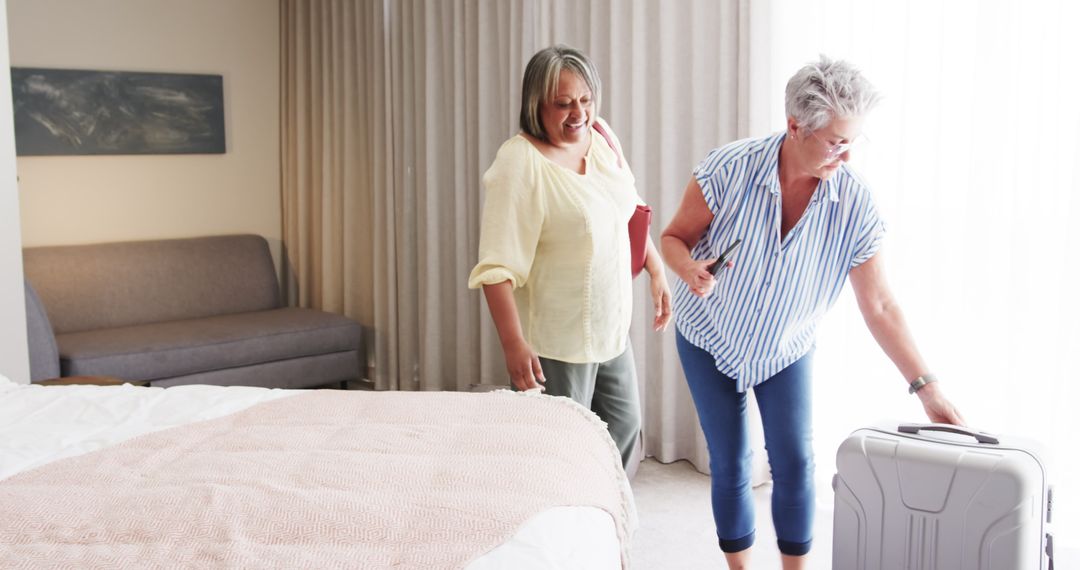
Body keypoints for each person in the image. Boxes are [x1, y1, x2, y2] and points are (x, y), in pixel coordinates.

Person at [660, 55, 964, 570]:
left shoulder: (855, 205)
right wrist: (688, 269)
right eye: (835, 142)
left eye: (853, 141)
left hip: (786, 348)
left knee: (797, 465)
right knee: (731, 464)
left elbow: (882, 305)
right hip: (708, 337)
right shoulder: (729, 169)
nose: (845, 156)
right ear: (795, 126)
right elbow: (671, 239)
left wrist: (927, 389)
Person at [468, 45, 672, 470]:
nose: (578, 113)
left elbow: (627, 208)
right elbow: (495, 268)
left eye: (585, 100)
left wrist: (656, 270)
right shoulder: (519, 163)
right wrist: (513, 344)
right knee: (557, 451)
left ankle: (598, 522)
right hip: (555, 342)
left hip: (611, 329)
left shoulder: (600, 138)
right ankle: (557, 527)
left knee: (623, 428)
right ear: (535, 105)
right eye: (563, 104)